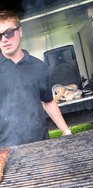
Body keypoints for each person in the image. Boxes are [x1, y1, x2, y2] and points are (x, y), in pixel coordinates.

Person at [0, 10, 72, 147]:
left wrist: (66, 130)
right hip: (4, 150)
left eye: (8, 33)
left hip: (40, 144)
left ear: (20, 31)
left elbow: (48, 101)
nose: (4, 39)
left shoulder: (39, 66)